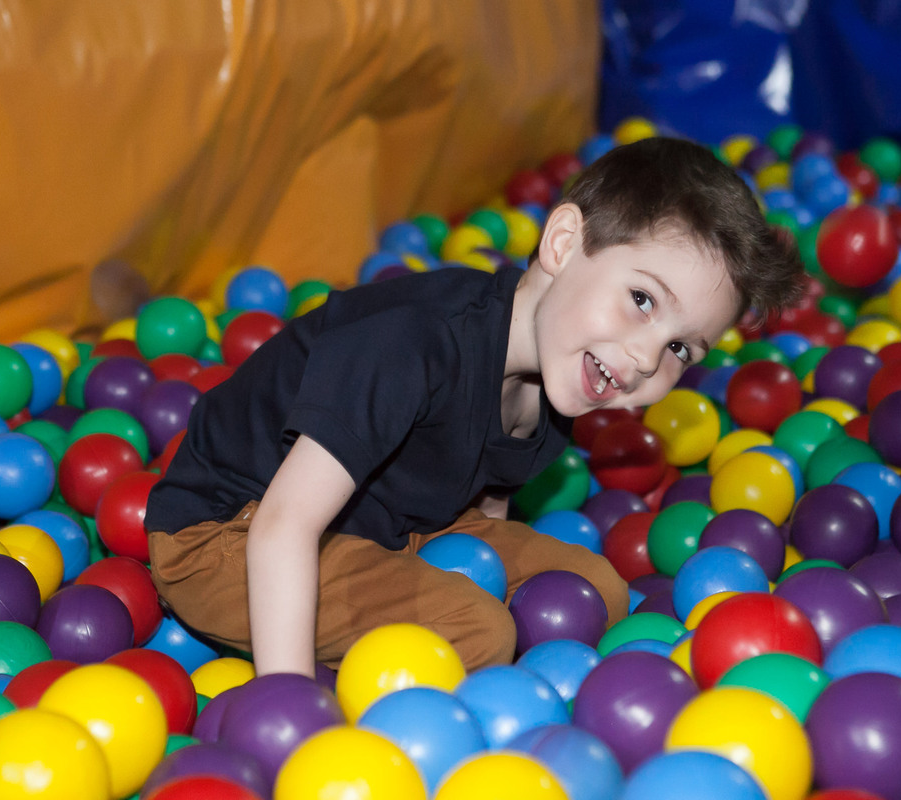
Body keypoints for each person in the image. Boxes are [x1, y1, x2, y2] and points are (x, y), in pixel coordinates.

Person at [144, 135, 804, 678]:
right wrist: (283, 705)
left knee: (592, 590)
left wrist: (475, 561)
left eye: (681, 350)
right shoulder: (413, 342)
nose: (641, 359)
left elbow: (484, 500)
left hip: (387, 526)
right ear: (564, 243)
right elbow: (283, 526)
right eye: (641, 300)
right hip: (229, 535)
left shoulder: (565, 364)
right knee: (476, 630)